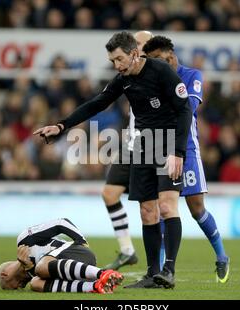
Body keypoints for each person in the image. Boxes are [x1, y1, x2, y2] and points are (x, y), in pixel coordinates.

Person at [34, 31, 193, 289]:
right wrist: (61, 126)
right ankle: (153, 274)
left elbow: (184, 110)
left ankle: (169, 270)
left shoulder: (161, 71)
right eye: (112, 62)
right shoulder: (123, 79)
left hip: (168, 141)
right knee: (147, 210)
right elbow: (96, 103)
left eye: (119, 59)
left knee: (166, 206)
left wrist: (178, 152)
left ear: (133, 54)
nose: (116, 66)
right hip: (144, 143)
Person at [143, 35, 230, 283]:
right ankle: (161, 270)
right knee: (163, 209)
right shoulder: (154, 80)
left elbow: (189, 107)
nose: (154, 65)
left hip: (186, 150)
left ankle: (221, 255)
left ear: (171, 56)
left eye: (158, 59)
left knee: (196, 208)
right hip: (160, 149)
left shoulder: (192, 75)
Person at [102, 30, 153, 271]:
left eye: (142, 43)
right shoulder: (127, 74)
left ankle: (160, 262)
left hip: (153, 145)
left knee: (151, 207)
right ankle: (127, 250)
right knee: (110, 194)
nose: (139, 46)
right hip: (130, 144)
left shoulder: (158, 73)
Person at [0, 218, 124, 293]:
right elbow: (40, 273)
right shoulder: (33, 274)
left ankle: (103, 273)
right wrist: (29, 268)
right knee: (36, 284)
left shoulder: (24, 240)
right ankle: (96, 286)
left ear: (5, 274)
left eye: (13, 286)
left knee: (41, 268)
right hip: (78, 271)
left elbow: (61, 223)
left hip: (78, 252)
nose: (20, 287)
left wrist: (81, 241)